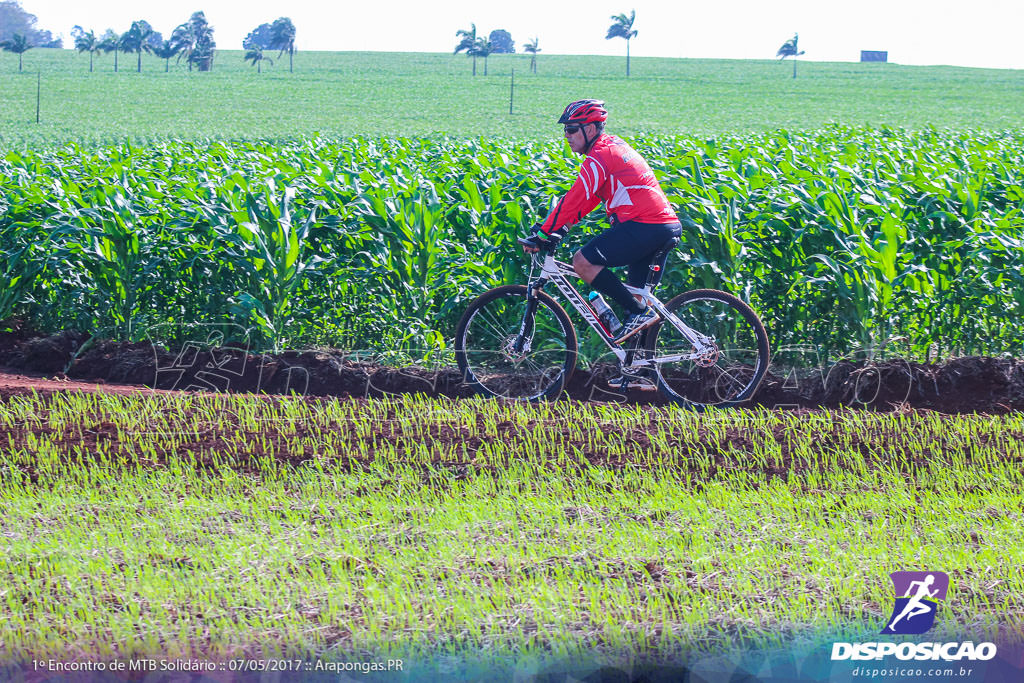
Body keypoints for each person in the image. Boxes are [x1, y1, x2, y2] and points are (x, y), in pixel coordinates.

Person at [521, 99, 682, 344]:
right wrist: (558, 229)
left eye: (572, 129)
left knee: (582, 262)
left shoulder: (600, 156)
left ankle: (639, 313)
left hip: (645, 224)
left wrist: (544, 234)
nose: (567, 135)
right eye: (565, 130)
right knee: (635, 305)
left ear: (591, 129)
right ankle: (640, 373)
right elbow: (588, 200)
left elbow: (577, 195)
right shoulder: (611, 148)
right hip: (657, 226)